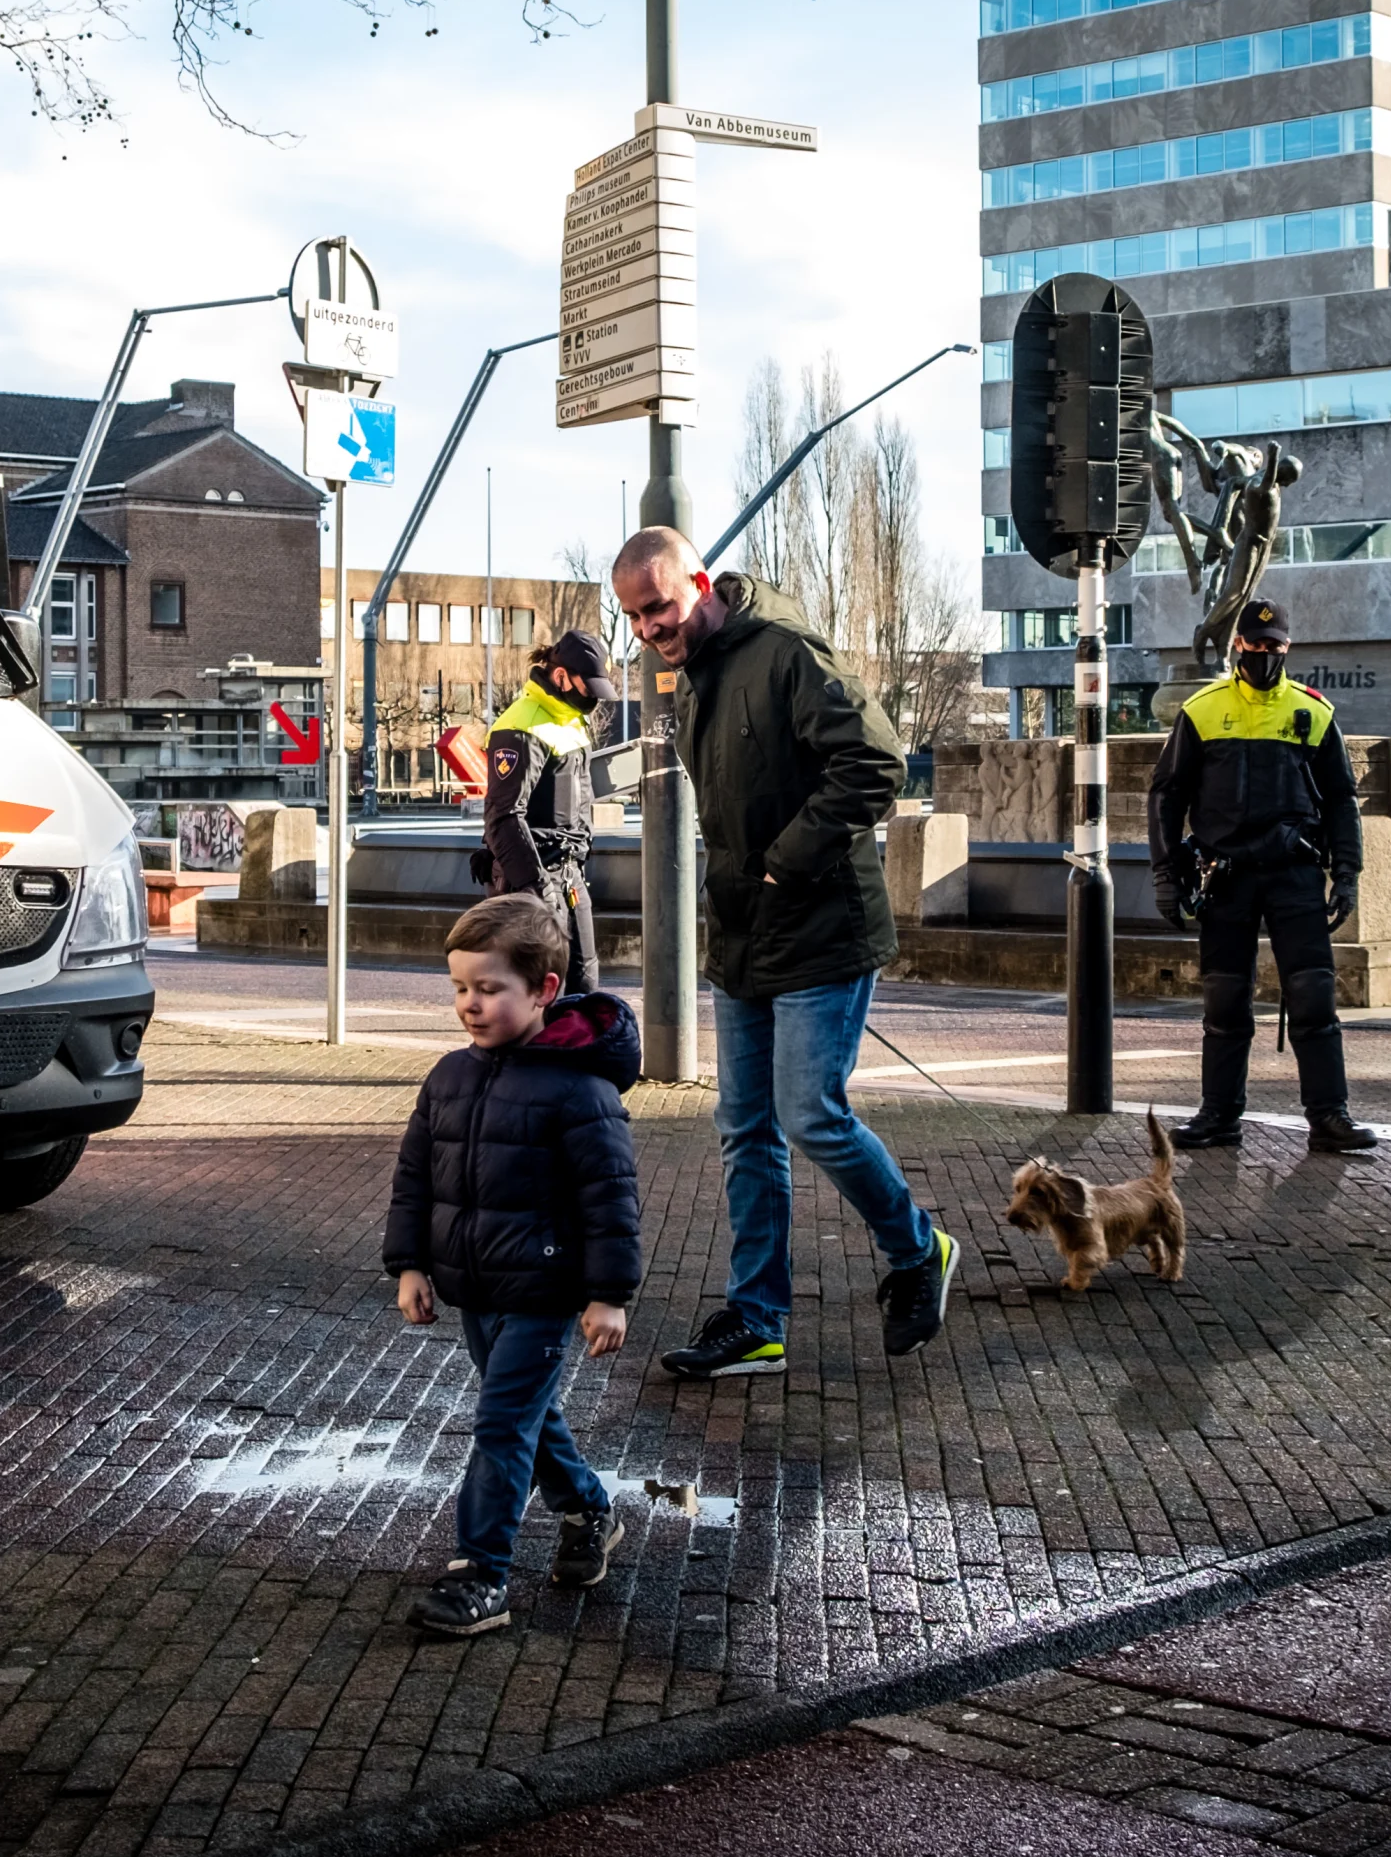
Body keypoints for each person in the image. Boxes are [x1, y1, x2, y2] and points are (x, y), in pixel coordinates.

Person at [607, 527, 964, 1379]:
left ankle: (919, 1250)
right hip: (745, 939)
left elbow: (876, 760)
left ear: (698, 581)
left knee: (809, 1114)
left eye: (658, 606)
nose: (648, 628)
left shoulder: (783, 651)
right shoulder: (693, 678)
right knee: (744, 1129)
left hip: (821, 928)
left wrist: (783, 864)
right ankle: (758, 1318)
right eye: (633, 617)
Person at [385, 893, 640, 1639]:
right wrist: (410, 1265)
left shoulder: (580, 1091)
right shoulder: (449, 1078)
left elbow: (611, 1201)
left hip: (543, 1288)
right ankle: (589, 1508)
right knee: (529, 1413)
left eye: (489, 989)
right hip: (475, 1288)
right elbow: (414, 1177)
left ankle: (480, 1571)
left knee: (501, 1422)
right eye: (461, 987)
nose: (470, 1004)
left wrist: (608, 1295)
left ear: (543, 991)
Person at [1148, 599, 1382, 1155]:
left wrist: (1346, 873)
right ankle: (1220, 1117)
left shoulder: (1314, 712)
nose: (1263, 655)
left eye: (1273, 646)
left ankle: (1329, 1117)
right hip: (1224, 877)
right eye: (1254, 646)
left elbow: (1342, 801)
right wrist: (1165, 873)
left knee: (1313, 997)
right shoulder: (1203, 710)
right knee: (1224, 1003)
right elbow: (1167, 794)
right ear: (1237, 647)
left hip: (1294, 874)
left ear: (1287, 648)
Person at [481, 628, 614, 989]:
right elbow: (504, 814)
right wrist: (537, 887)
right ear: (561, 677)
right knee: (539, 993)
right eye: (589, 687)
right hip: (537, 879)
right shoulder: (522, 725)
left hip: (568, 874)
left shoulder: (570, 718)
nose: (595, 699)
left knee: (583, 985)